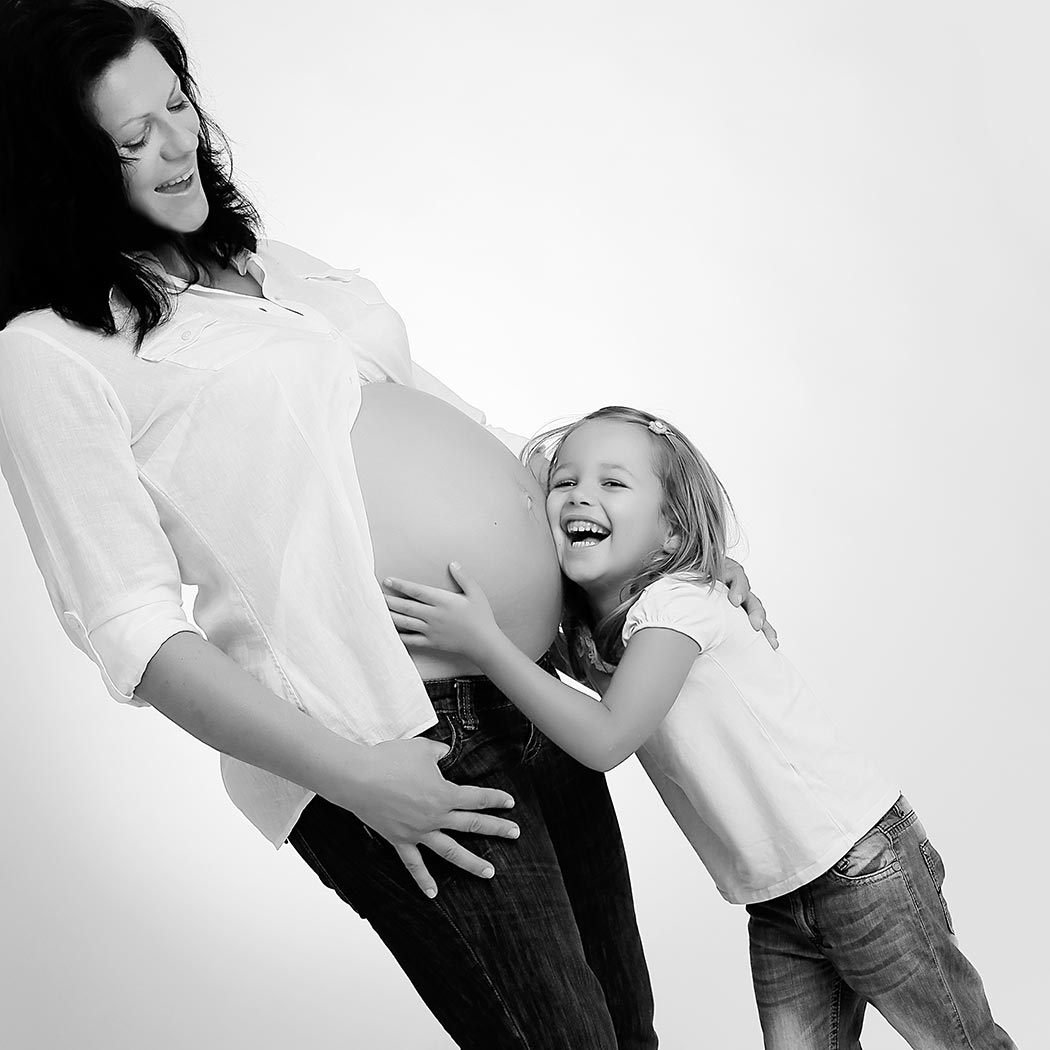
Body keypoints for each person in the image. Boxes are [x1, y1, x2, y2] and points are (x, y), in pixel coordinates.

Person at [0, 3, 776, 1046]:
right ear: (59, 168)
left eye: (178, 105)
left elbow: (466, 430)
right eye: (133, 138)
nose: (179, 144)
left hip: (526, 683)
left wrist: (667, 560)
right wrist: (355, 777)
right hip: (393, 735)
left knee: (626, 1027)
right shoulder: (49, 352)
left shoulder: (272, 264)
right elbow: (131, 628)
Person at [383, 405, 1018, 1050]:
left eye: (613, 482)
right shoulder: (590, 630)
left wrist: (486, 644)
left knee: (959, 1043)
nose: (579, 495)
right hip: (776, 893)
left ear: (671, 533)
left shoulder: (680, 604)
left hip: (860, 865)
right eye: (565, 482)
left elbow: (605, 739)